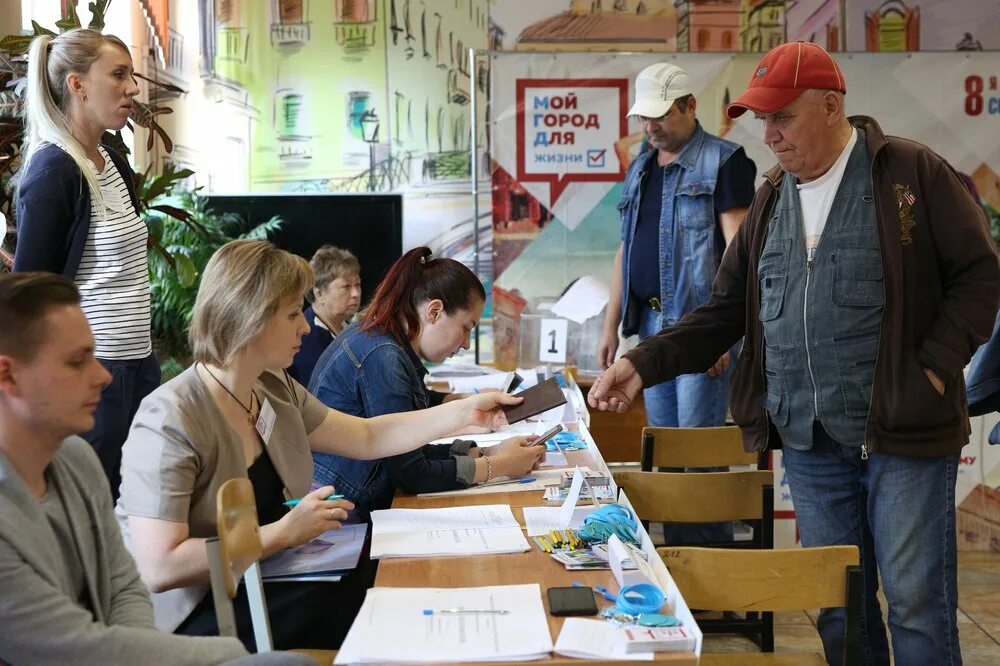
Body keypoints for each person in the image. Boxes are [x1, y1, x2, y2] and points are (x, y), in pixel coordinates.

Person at [589, 42, 1000, 665]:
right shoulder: (772, 196)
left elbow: (979, 277)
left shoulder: (911, 173)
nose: (770, 134)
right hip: (809, 441)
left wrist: (933, 371)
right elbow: (724, 311)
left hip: (904, 433)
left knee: (918, 606)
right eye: (762, 119)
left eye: (783, 117)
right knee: (837, 604)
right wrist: (641, 363)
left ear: (832, 106)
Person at [115, 240, 519, 651]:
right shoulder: (170, 417)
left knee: (377, 584)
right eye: (293, 313)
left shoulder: (271, 386)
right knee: (371, 606)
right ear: (249, 317)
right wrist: (279, 535)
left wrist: (466, 412)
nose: (306, 327)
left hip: (263, 576)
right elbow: (160, 566)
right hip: (200, 611)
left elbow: (368, 436)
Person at [0, 272, 317, 666]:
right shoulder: (171, 414)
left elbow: (124, 586)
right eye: (77, 361)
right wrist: (229, 654)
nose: (101, 375)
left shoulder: (75, 461)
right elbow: (70, 647)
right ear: (7, 375)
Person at [598, 62, 757, 544]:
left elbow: (739, 253)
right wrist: (610, 328)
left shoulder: (726, 162)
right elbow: (626, 249)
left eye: (661, 116)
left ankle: (709, 570)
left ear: (690, 106)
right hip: (648, 327)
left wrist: (724, 331)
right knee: (666, 453)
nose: (650, 127)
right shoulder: (641, 166)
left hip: (697, 330)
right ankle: (683, 571)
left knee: (698, 456)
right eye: (644, 118)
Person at [14, 29, 159, 500]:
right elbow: (31, 299)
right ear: (77, 85)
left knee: (139, 503)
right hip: (94, 372)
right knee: (97, 504)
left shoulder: (114, 160)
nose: (133, 88)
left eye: (131, 75)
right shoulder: (54, 172)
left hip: (139, 363)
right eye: (118, 75)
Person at [309, 247, 546, 515]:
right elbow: (411, 473)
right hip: (345, 515)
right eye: (466, 328)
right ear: (434, 311)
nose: (466, 344)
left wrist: (489, 453)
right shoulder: (382, 356)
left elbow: (410, 447)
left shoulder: (382, 341)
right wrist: (499, 466)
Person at [288, 245, 362, 385]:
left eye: (357, 285)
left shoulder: (348, 325)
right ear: (319, 293)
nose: (355, 294)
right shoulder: (306, 337)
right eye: (346, 286)